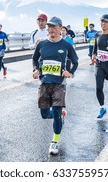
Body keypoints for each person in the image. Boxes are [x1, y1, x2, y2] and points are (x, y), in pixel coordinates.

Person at [32, 16, 78, 156]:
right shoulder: (42, 44)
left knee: (56, 113)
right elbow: (35, 59)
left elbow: (75, 62)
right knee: (44, 115)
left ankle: (54, 141)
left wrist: (69, 72)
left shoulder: (66, 45)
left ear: (60, 28)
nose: (51, 29)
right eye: (49, 26)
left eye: (54, 26)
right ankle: (60, 115)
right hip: (45, 83)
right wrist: (35, 69)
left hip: (59, 84)